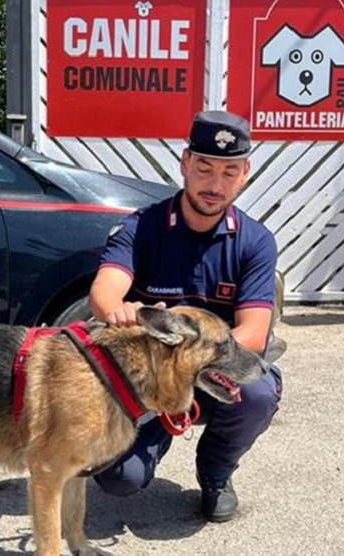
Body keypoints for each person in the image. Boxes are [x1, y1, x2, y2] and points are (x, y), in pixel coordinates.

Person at [87, 110, 283, 523]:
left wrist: (188, 361)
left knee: (258, 392)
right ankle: (146, 442)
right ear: (185, 163)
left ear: (245, 173)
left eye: (230, 172)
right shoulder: (142, 227)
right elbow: (104, 292)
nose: (215, 185)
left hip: (210, 375)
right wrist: (120, 312)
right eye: (205, 168)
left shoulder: (256, 242)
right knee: (119, 478)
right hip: (149, 382)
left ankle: (216, 472)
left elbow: (253, 334)